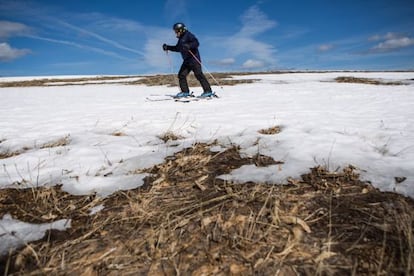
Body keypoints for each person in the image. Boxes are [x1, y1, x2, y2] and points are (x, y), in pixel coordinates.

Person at [163, 22, 214, 98]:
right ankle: (185, 92)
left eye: (176, 31)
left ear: (181, 30)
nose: (176, 33)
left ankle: (208, 91)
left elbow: (196, 43)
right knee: (181, 75)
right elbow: (178, 48)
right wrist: (168, 47)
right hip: (187, 61)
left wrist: (189, 46)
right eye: (175, 31)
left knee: (199, 75)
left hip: (194, 59)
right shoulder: (181, 39)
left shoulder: (188, 35)